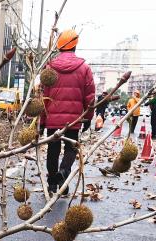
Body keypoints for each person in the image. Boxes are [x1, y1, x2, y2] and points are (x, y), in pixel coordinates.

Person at [40, 29, 95, 195]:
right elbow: (90, 97)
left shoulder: (49, 67)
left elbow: (43, 96)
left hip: (52, 118)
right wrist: (88, 118)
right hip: (73, 119)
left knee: (53, 150)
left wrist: (42, 121)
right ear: (75, 45)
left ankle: (51, 185)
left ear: (59, 46)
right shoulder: (84, 68)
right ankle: (63, 173)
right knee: (71, 149)